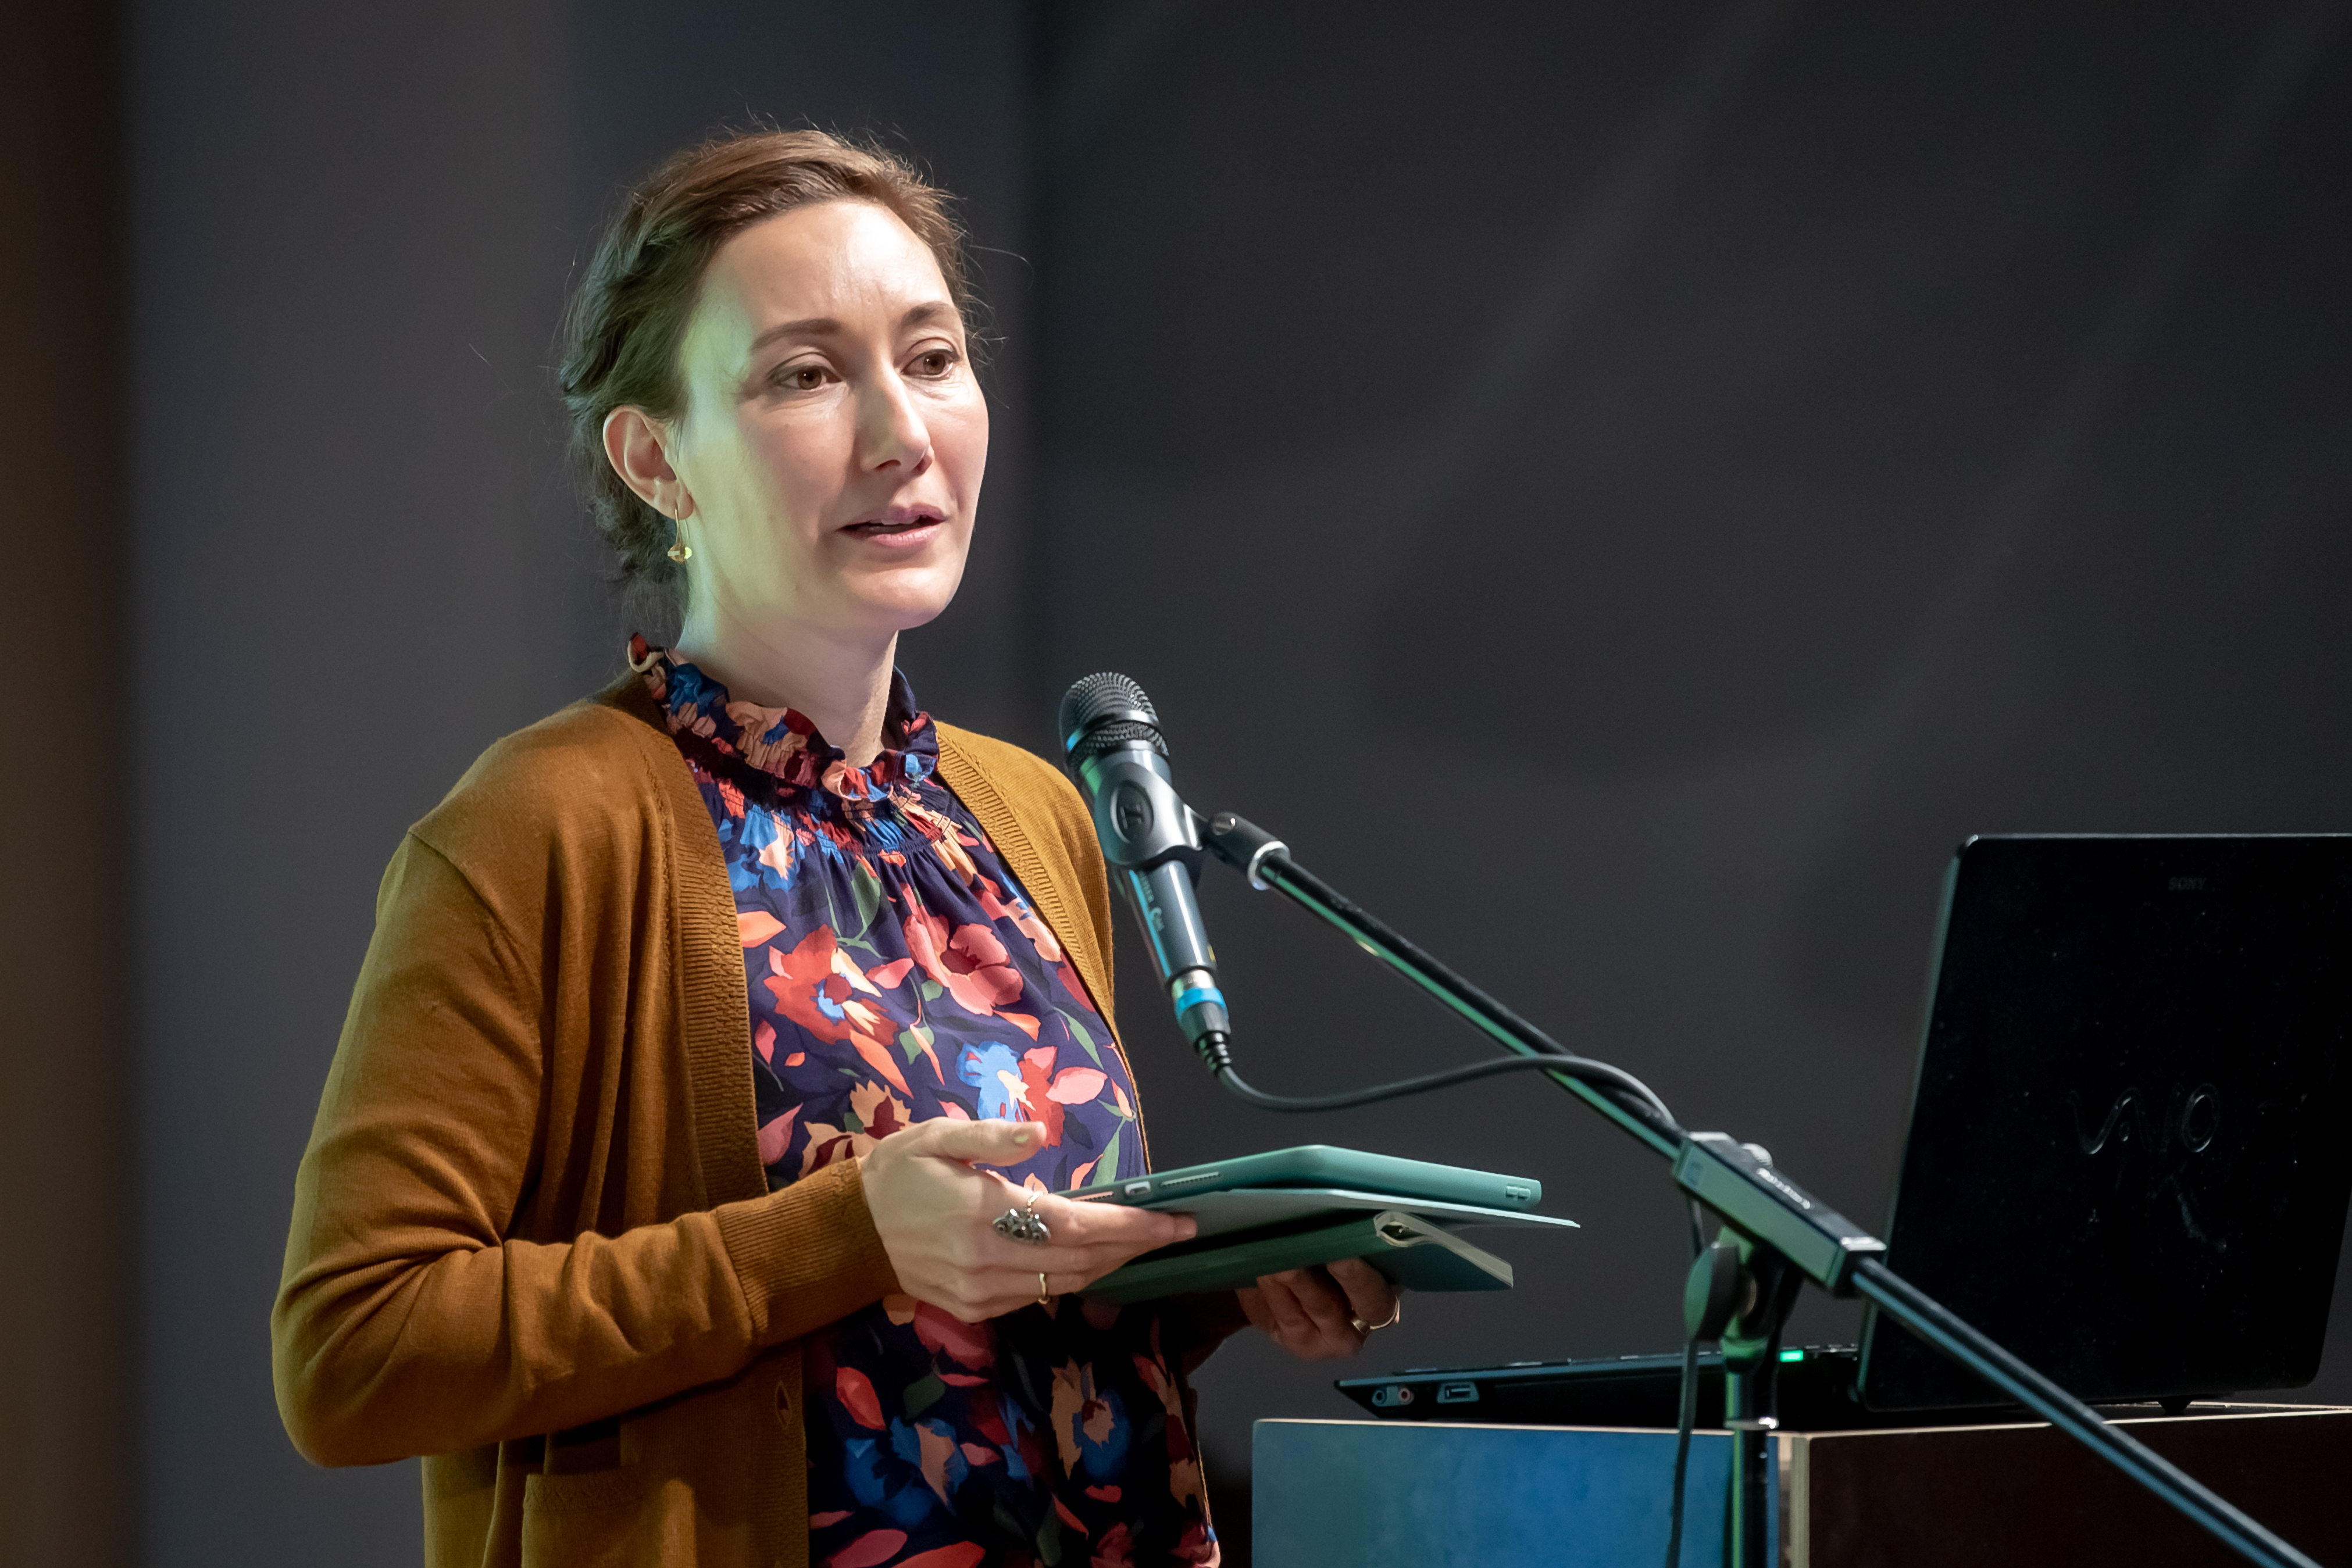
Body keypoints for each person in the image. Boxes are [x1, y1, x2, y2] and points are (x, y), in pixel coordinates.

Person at [270, 127, 1397, 1568]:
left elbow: (964, 1343)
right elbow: (354, 1349)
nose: (900, 431)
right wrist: (841, 1234)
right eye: (806, 374)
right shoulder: (544, 824)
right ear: (657, 458)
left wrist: (1214, 1280)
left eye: (931, 357)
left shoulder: (1024, 813)